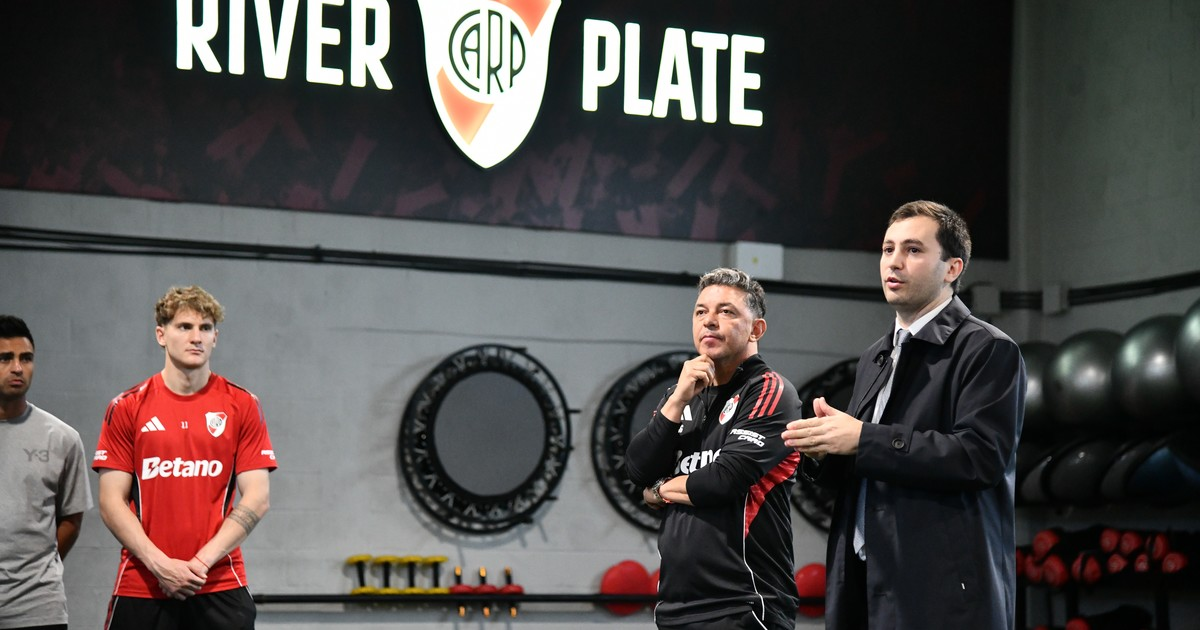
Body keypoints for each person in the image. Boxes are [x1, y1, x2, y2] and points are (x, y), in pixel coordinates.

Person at [783, 200, 1025, 629]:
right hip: (864, 583)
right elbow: (873, 468)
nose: (893, 262)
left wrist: (863, 438)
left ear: (952, 268)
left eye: (913, 250)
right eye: (887, 249)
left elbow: (980, 458)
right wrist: (824, 451)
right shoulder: (875, 355)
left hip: (938, 593)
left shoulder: (988, 349)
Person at [626, 268, 802, 630]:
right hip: (675, 607)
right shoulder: (681, 395)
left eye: (726, 311)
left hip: (743, 604)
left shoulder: (770, 390)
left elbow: (723, 481)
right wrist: (677, 399)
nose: (709, 321)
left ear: (756, 329)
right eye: (701, 311)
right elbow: (638, 470)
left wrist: (660, 490)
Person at [93, 286, 278, 630]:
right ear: (161, 335)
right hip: (142, 584)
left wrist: (200, 564)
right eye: (184, 327)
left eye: (205, 328)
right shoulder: (128, 407)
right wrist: (160, 565)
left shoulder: (242, 405)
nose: (196, 337)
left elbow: (258, 497)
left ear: (215, 338)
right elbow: (110, 502)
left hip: (219, 582)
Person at [0, 315, 93, 630]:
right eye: (5, 358)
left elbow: (72, 519)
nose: (17, 368)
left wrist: (39, 568)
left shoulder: (63, 438)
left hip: (38, 608)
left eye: (26, 358)